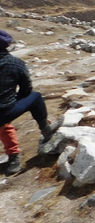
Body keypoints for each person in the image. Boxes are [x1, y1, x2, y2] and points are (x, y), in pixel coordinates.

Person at [0, 30, 62, 176]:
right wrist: (11, 99)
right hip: (6, 111)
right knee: (36, 97)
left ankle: (14, 156)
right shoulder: (16, 63)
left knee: (3, 123)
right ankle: (46, 130)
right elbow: (26, 89)